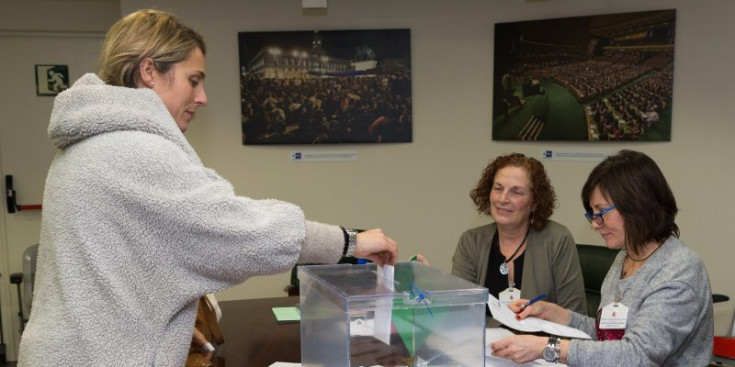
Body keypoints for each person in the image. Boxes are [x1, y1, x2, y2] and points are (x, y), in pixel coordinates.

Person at [18, 9, 398, 367]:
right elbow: (241, 231)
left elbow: (109, 274)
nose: (202, 97)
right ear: (150, 71)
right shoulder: (134, 149)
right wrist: (349, 241)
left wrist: (164, 330)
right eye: (193, 80)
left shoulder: (88, 146)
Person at [490, 150, 714, 366]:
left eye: (601, 212)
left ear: (637, 205)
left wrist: (548, 347)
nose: (594, 223)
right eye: (592, 213)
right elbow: (606, 334)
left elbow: (636, 356)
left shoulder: (679, 270)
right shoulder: (626, 257)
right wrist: (556, 314)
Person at [452, 153, 587, 318]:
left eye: (516, 192)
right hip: (484, 342)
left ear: (534, 202)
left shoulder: (557, 239)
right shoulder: (471, 242)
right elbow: (459, 313)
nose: (503, 199)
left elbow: (575, 316)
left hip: (539, 342)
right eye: (498, 188)